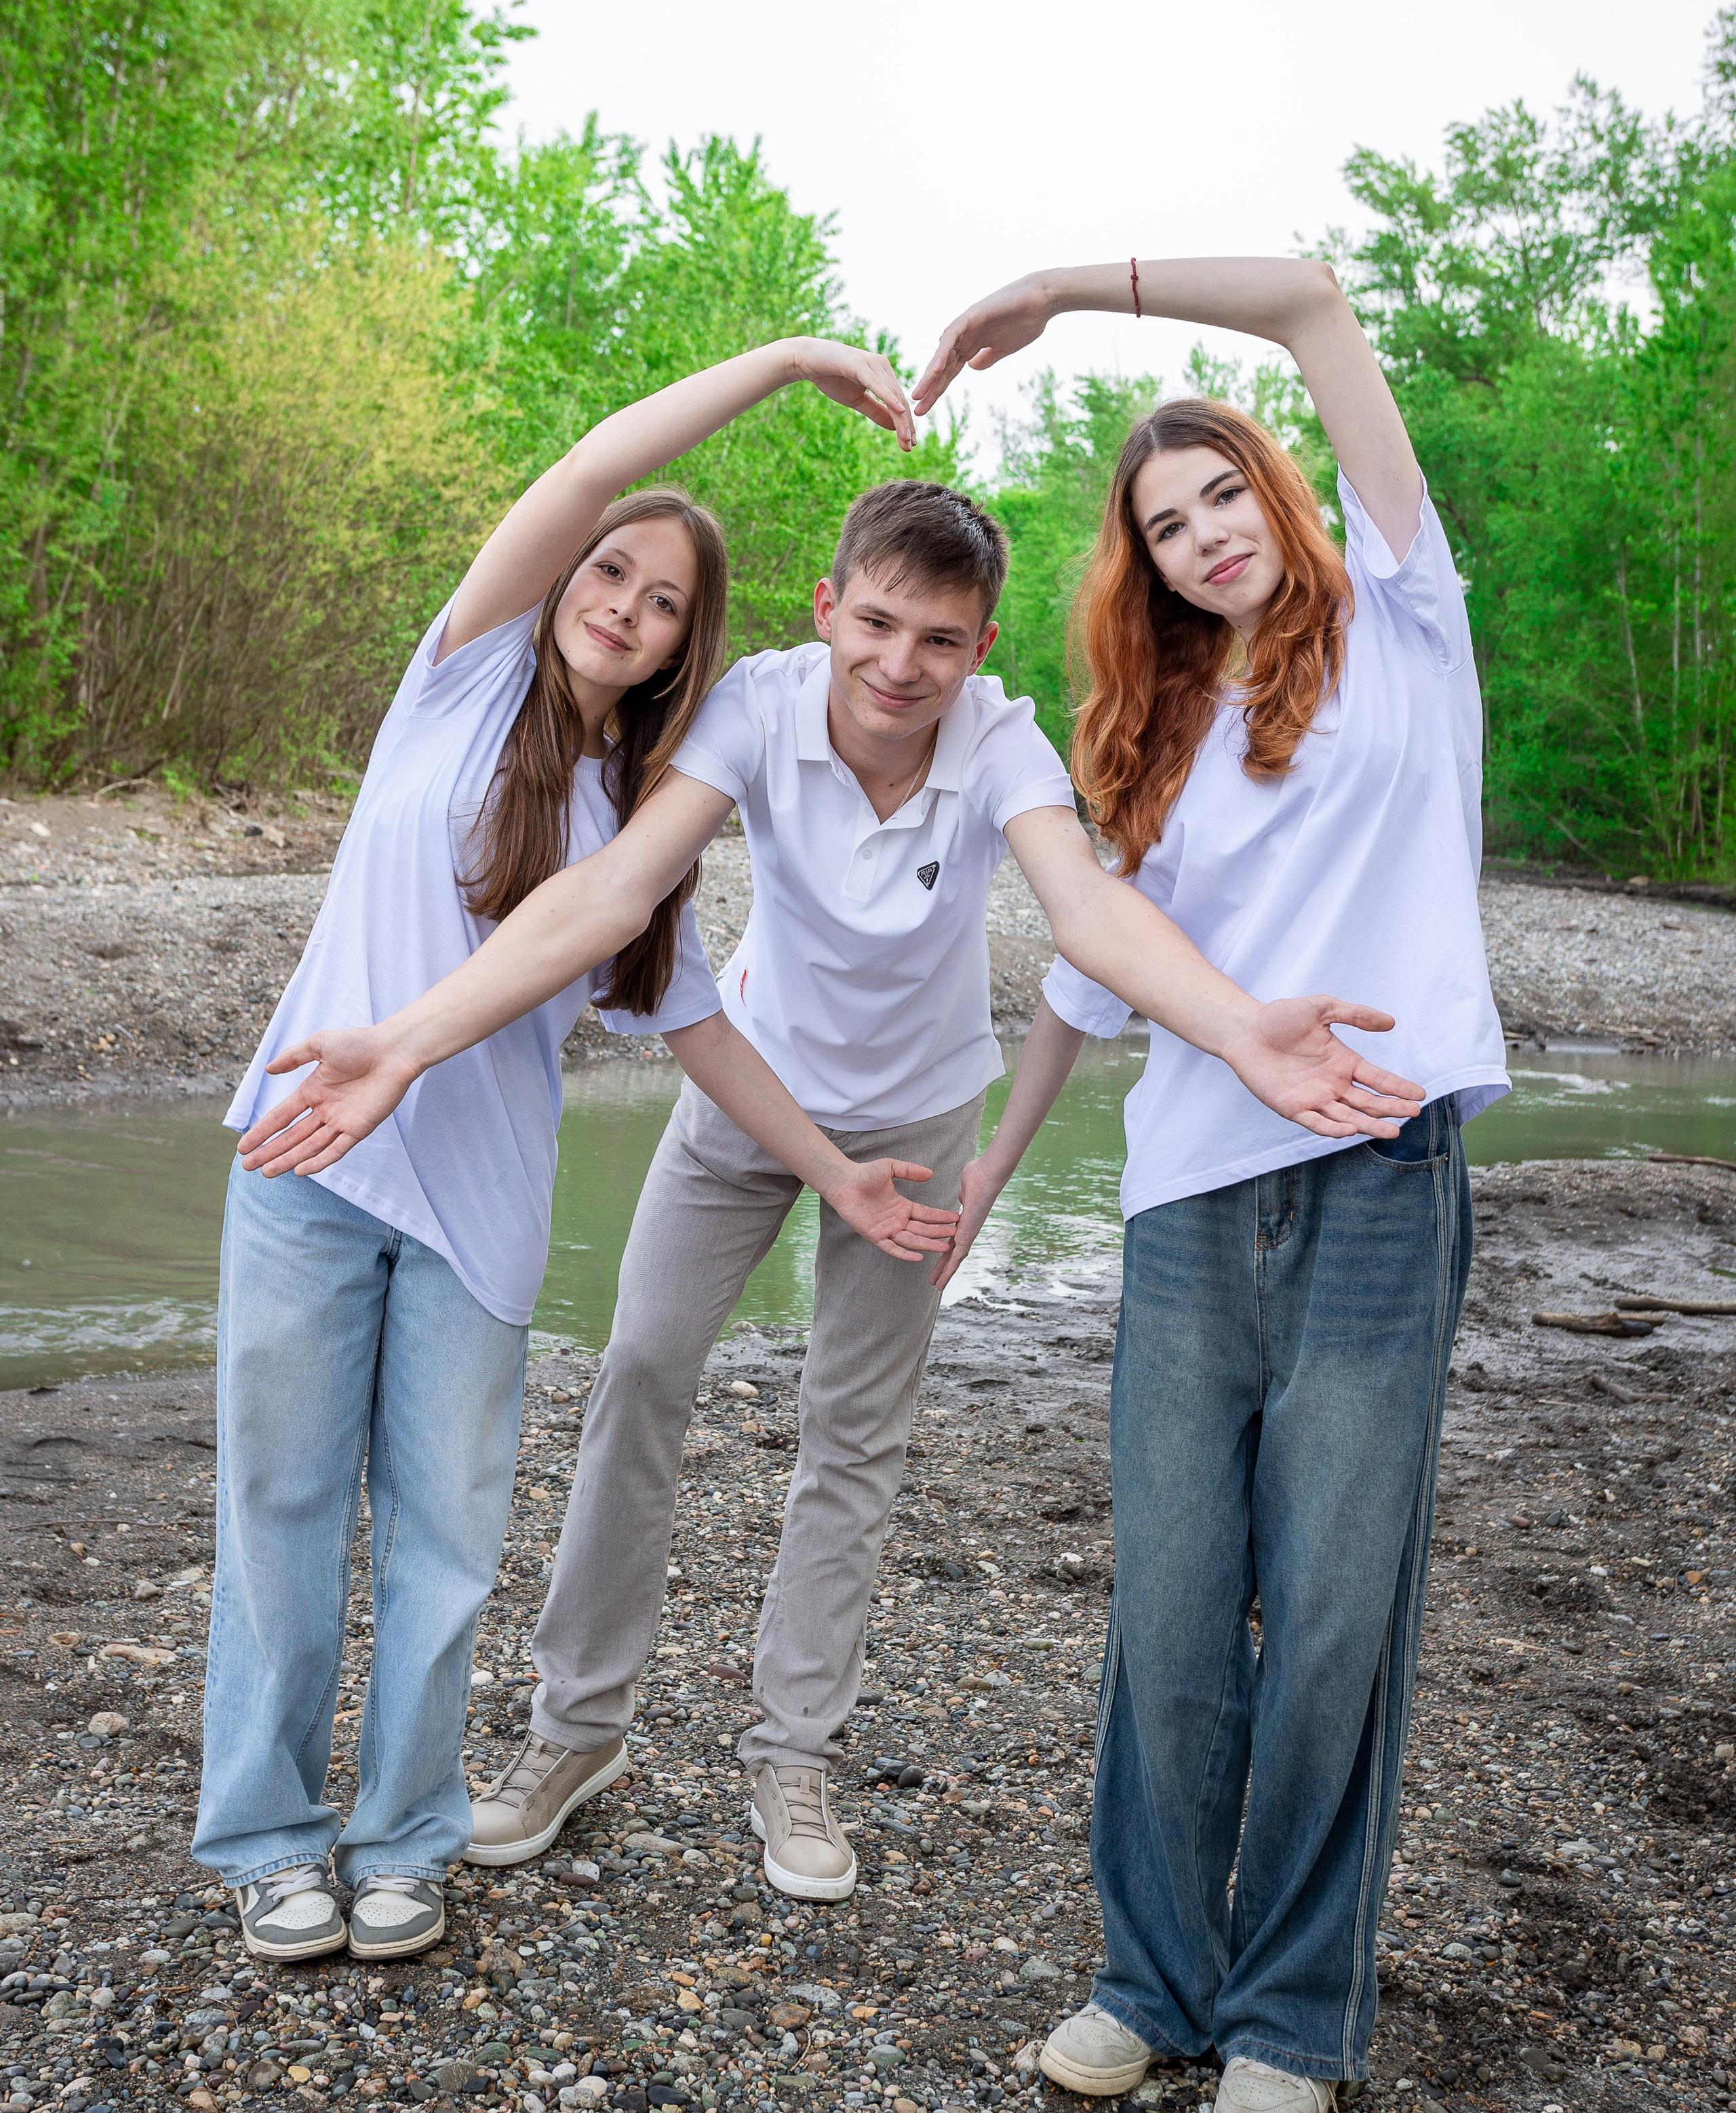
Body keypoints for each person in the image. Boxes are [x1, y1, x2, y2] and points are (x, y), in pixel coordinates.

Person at [240, 405, 1423, 1912]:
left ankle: (789, 1752)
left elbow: (1082, 915)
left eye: (937, 639)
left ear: (979, 643)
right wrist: (403, 1040)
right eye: (875, 622)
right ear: (828, 608)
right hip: (743, 1098)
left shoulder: (997, 739)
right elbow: (611, 897)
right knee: (637, 1379)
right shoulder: (752, 706)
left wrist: (1237, 1024)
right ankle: (570, 1735)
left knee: (850, 1441)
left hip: (918, 1122)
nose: (898, 664)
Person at [199, 338, 966, 1969]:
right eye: (610, 570)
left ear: (688, 643)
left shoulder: (642, 826)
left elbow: (704, 1036)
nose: (623, 599)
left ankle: (404, 1835)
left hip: (477, 1218)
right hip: (308, 1157)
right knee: (278, 1503)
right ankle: (269, 1840)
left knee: (445, 1534)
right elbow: (594, 464)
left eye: (666, 600)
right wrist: (782, 366)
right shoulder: (457, 673)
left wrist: (836, 1176)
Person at [912, 254, 1509, 2113]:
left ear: (1284, 486)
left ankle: (1290, 2014)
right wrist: (985, 1185)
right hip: (1186, 1208)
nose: (1199, 539)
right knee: (1171, 1614)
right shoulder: (1147, 732)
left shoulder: (1414, 624)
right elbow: (1094, 985)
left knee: (1336, 1615)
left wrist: (1064, 291)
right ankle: (1148, 1980)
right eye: (1163, 528)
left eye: (1222, 495)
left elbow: (1324, 303)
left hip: (1380, 1182)